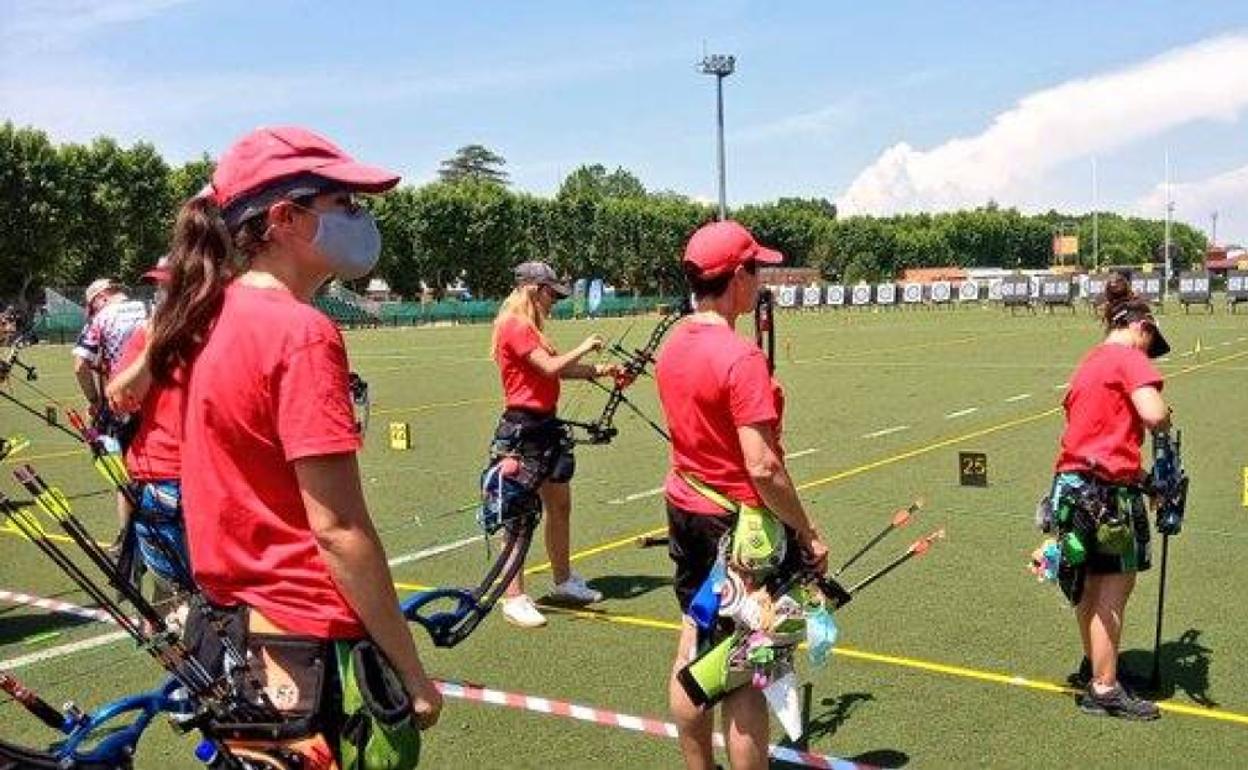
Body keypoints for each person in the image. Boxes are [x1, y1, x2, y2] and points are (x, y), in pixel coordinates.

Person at [128, 125, 441, 765]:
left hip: (229, 633)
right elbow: (338, 529)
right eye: (344, 205)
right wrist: (411, 671)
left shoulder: (205, 314)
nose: (359, 219)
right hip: (302, 638)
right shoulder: (301, 332)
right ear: (285, 218)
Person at [655, 220, 830, 770]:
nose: (759, 280)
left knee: (693, 649)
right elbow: (763, 467)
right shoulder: (739, 357)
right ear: (736, 277)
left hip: (686, 509)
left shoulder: (674, 342)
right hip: (737, 535)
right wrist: (809, 532)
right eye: (755, 269)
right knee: (749, 675)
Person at [1047, 271, 1170, 721]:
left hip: (1074, 488)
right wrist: (1164, 414)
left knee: (1091, 586)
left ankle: (1097, 668)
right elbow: (1153, 415)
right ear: (1142, 327)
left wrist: (1141, 478)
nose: (1149, 356)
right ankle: (1104, 687)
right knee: (1113, 589)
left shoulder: (1090, 361)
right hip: (1105, 498)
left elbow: (1097, 441)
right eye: (1149, 343)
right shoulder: (1128, 358)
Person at [489, 261, 624, 628]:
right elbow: (549, 368)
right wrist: (585, 346)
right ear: (534, 289)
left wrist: (602, 370)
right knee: (517, 515)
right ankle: (513, 597)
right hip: (522, 430)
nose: (555, 301)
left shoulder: (531, 327)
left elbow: (556, 367)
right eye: (552, 293)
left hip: (546, 426)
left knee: (559, 506)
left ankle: (563, 581)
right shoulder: (514, 326)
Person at [106, 257, 190, 625]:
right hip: (160, 477)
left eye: (170, 286)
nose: (162, 294)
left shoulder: (227, 334)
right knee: (169, 596)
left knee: (205, 598)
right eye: (159, 287)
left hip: (210, 478)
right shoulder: (148, 335)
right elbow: (123, 399)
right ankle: (183, 678)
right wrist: (154, 345)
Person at [72, 278, 148, 548]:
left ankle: (127, 537)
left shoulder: (101, 318)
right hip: (159, 401)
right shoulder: (150, 307)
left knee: (123, 471)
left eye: (92, 304)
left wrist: (94, 399)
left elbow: (80, 364)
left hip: (122, 402)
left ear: (101, 297)